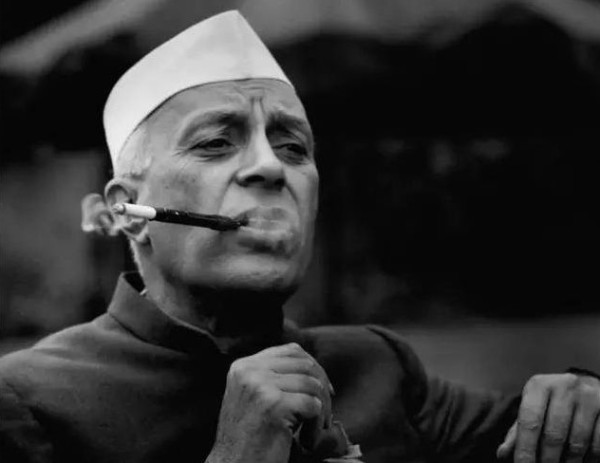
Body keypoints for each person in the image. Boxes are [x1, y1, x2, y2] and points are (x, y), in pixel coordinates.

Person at [1, 10, 599, 463]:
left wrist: (584, 401)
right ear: (129, 212)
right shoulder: (31, 400)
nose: (270, 167)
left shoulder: (377, 367)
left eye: (293, 147)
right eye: (216, 142)